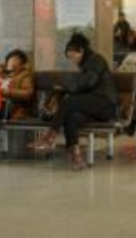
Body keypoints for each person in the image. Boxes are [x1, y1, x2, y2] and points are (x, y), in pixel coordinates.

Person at [30, 34, 118, 172]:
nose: (72, 60)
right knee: (71, 118)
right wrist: (66, 88)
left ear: (81, 51)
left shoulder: (96, 61)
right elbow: (83, 87)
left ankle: (50, 136)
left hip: (105, 104)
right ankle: (76, 157)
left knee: (67, 102)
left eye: (72, 56)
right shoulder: (87, 63)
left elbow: (88, 82)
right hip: (94, 107)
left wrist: (66, 87)